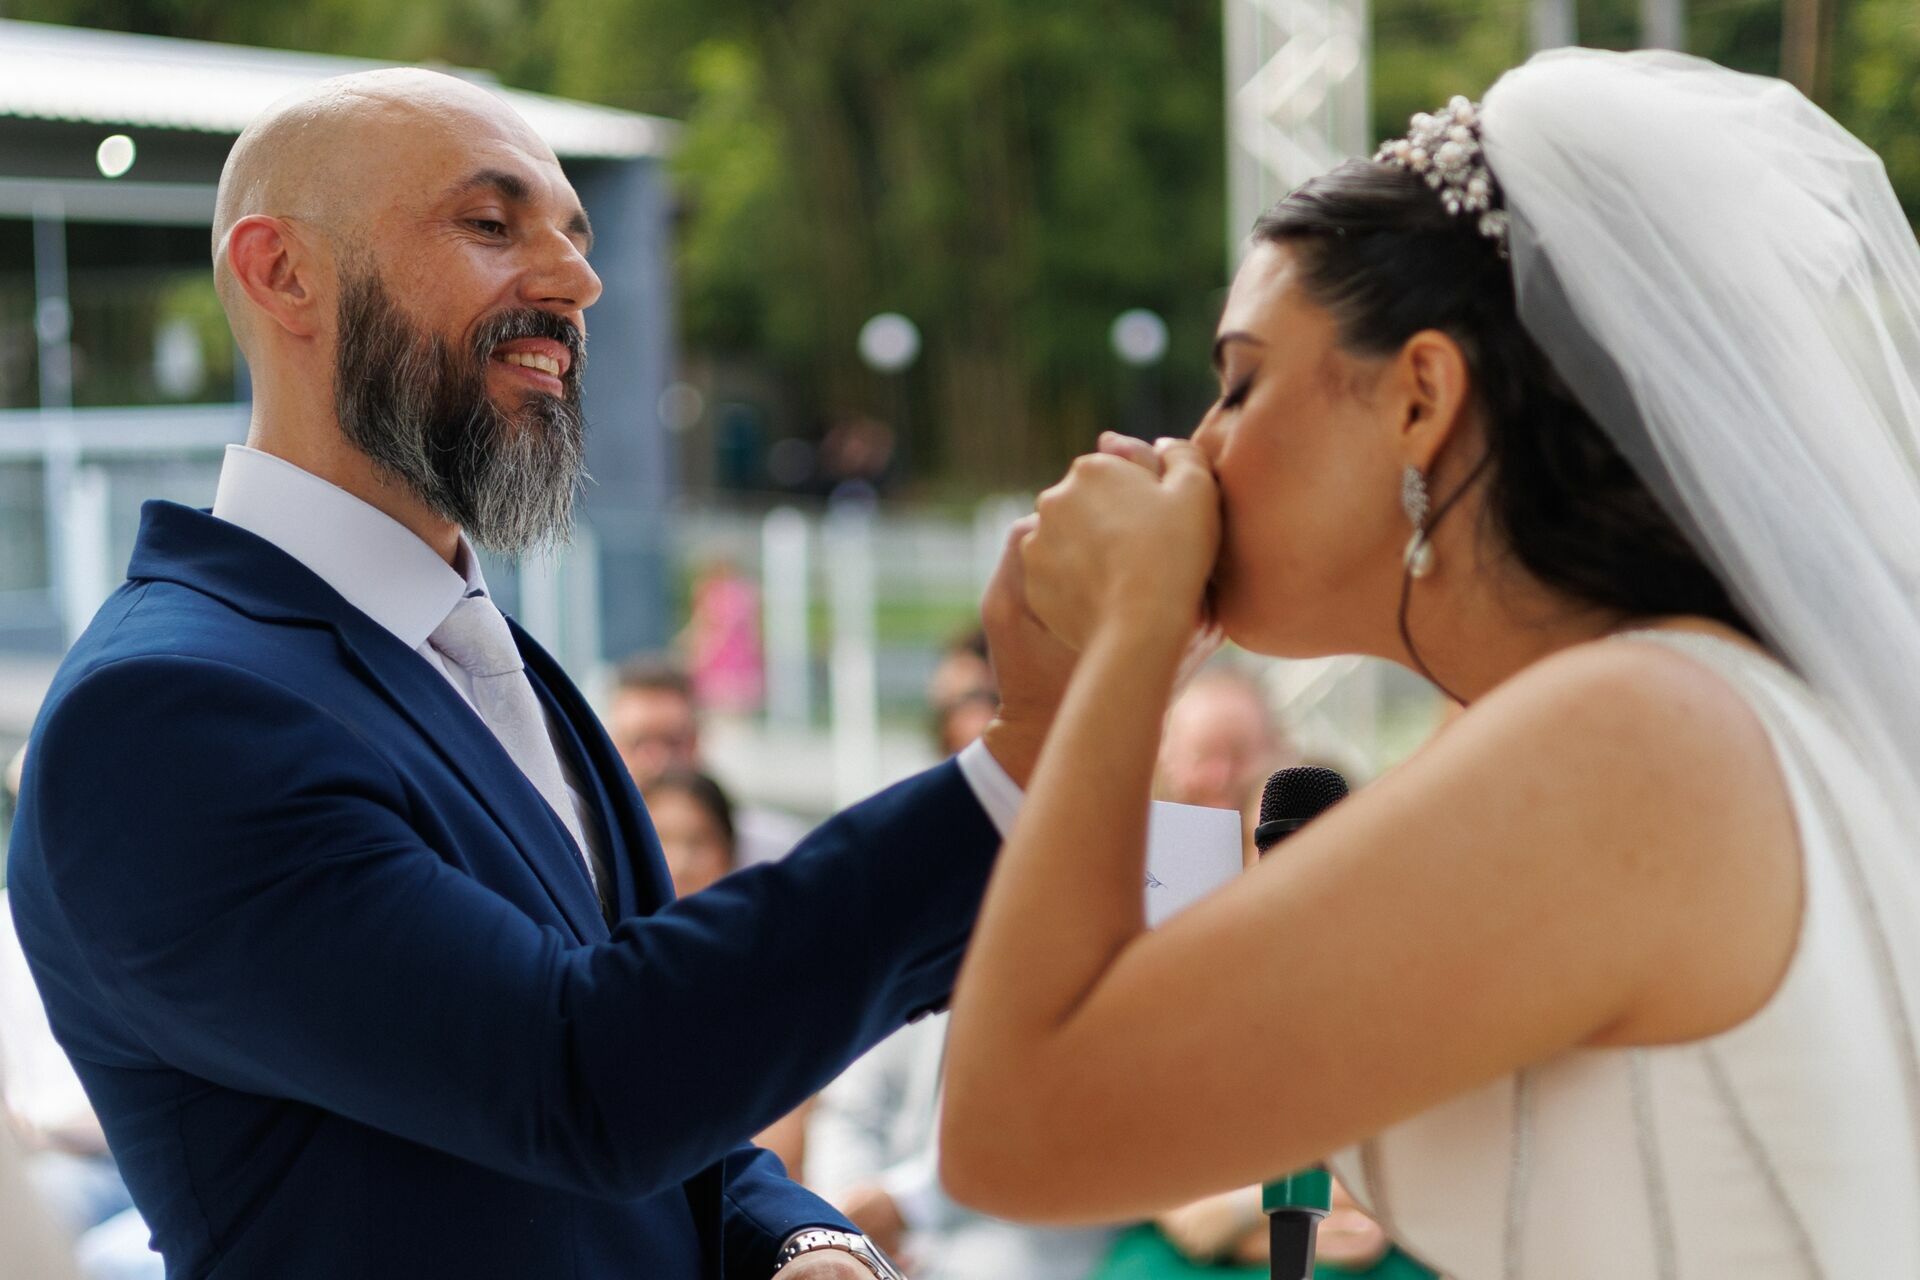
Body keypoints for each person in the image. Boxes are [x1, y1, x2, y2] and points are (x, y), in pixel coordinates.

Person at [7, 68, 1070, 1280]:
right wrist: (1021, 760)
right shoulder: (162, 722)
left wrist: (798, 1238)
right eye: (489, 223)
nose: (575, 279)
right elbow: (579, 1076)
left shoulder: (490, 658)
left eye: (576, 232)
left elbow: (677, 1073)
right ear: (282, 273)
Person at [939, 48, 1920, 1276]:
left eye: (1239, 382)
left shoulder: (1632, 736)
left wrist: (1126, 641)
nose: (1195, 449)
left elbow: (1013, 1129)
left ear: (1420, 397)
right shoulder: (1675, 712)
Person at [610, 653, 810, 865]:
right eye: (639, 743)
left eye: (672, 741)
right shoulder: (596, 853)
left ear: (698, 741)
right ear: (613, 748)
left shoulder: (775, 852)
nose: (659, 761)